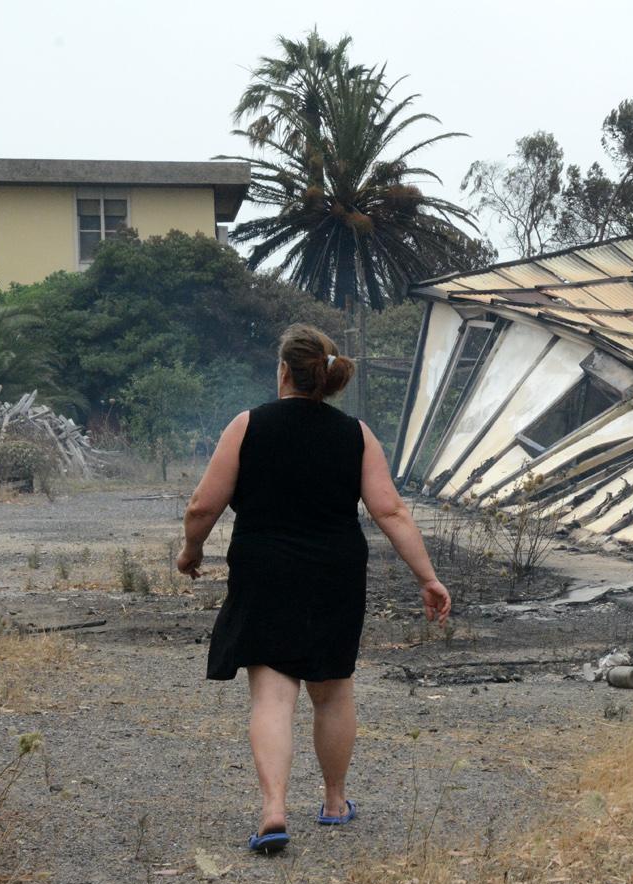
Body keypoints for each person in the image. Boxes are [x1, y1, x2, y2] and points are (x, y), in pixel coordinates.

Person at [177, 324, 451, 854]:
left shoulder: (247, 425)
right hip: (335, 572)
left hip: (265, 570)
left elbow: (202, 506)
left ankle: (273, 811)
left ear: (283, 370)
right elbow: (391, 511)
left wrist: (191, 551)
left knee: (273, 696)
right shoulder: (356, 434)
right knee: (333, 690)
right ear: (326, 376)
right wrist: (427, 577)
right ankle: (333, 802)